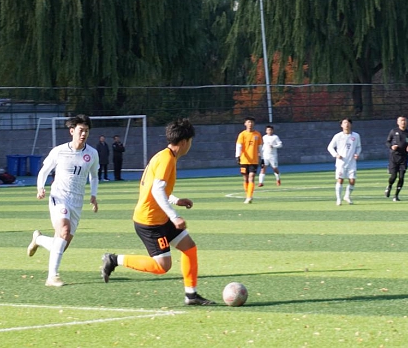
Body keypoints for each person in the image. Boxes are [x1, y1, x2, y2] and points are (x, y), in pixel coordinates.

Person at [100, 118, 215, 306]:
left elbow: (156, 188)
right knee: (162, 266)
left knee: (189, 247)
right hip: (150, 221)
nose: (190, 145)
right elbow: (157, 189)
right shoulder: (167, 159)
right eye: (190, 141)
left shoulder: (164, 156)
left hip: (160, 217)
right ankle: (114, 260)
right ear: (184, 142)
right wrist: (174, 216)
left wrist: (176, 200)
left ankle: (191, 295)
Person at [27, 114, 100, 287]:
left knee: (61, 244)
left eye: (86, 131)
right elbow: (44, 171)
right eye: (81, 130)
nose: (84, 134)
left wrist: (93, 195)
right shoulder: (59, 151)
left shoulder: (92, 153)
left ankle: (38, 239)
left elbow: (94, 176)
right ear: (72, 131)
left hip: (77, 202)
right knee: (64, 231)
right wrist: (40, 187)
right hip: (59, 197)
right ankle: (52, 277)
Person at [327, 118, 362, 205]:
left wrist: (357, 154)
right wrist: (336, 155)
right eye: (345, 123)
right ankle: (338, 199)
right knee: (340, 180)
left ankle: (347, 196)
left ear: (351, 124)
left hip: (352, 162)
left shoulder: (356, 136)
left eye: (348, 123)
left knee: (352, 180)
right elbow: (330, 147)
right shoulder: (338, 136)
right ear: (341, 125)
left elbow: (358, 147)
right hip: (341, 162)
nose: (347, 124)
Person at [384, 116, 408, 202]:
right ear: (398, 122)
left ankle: (396, 195)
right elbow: (387, 142)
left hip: (404, 157)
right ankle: (389, 186)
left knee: (401, 177)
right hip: (394, 157)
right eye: (401, 121)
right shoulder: (394, 131)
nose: (403, 122)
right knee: (393, 176)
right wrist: (391, 146)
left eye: (404, 121)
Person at [235, 116, 262, 204]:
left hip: (254, 160)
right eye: (248, 122)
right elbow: (239, 146)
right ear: (245, 123)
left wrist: (262, 158)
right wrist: (237, 156)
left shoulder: (257, 134)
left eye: (252, 122)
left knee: (252, 177)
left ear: (254, 124)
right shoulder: (242, 134)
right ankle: (248, 195)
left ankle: (249, 197)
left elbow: (260, 147)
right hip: (244, 160)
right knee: (245, 179)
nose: (250, 124)